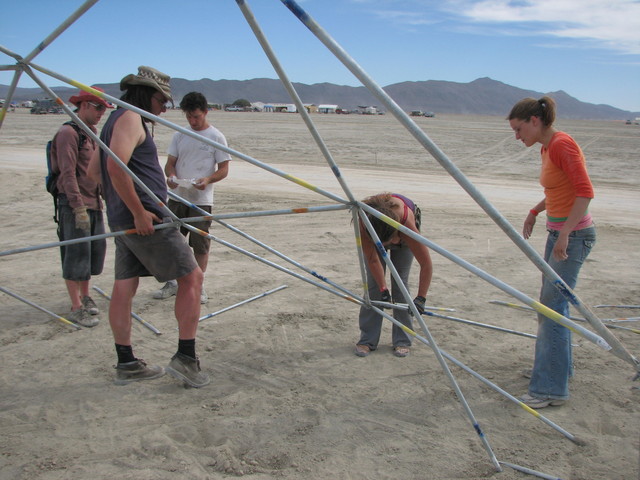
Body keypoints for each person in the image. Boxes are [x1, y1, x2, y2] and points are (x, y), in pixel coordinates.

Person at [89, 66, 209, 388]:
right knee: (193, 277)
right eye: (161, 99)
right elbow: (114, 166)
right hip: (145, 219)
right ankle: (186, 358)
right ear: (146, 94)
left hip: (123, 217)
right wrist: (139, 211)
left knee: (124, 288)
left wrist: (117, 205)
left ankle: (126, 363)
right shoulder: (130, 118)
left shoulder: (113, 121)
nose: (164, 108)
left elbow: (93, 171)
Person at [508, 96, 596, 409]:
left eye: (519, 130)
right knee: (554, 306)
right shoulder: (547, 147)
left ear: (535, 120)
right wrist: (535, 210)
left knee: (552, 309)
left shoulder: (561, 144)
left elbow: (585, 192)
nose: (518, 137)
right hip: (560, 233)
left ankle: (549, 389)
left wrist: (566, 234)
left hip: (572, 237)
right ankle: (558, 372)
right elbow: (558, 188)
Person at [152, 91, 231, 304]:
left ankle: (198, 285)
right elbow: (170, 162)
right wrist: (171, 176)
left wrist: (207, 179)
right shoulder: (179, 134)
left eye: (196, 116)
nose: (192, 121)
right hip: (178, 197)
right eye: (188, 116)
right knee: (171, 241)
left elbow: (224, 169)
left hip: (201, 200)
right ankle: (172, 283)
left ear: (205, 112)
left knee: (200, 244)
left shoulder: (216, 137)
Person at [50, 87, 112, 327]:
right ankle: (76, 307)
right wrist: (77, 208)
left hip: (94, 202)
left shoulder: (91, 134)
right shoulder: (68, 133)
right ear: (84, 104)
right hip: (74, 204)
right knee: (75, 255)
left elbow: (97, 173)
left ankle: (85, 296)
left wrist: (107, 199)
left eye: (103, 109)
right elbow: (67, 173)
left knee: (93, 254)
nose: (101, 114)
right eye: (98, 108)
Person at [355, 193, 433, 358]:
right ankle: (367, 339)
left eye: (392, 241)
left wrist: (421, 298)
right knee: (373, 287)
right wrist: (383, 289)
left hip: (400, 228)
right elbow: (373, 260)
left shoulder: (406, 223)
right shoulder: (365, 223)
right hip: (377, 233)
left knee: (400, 283)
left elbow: (426, 263)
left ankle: (402, 341)